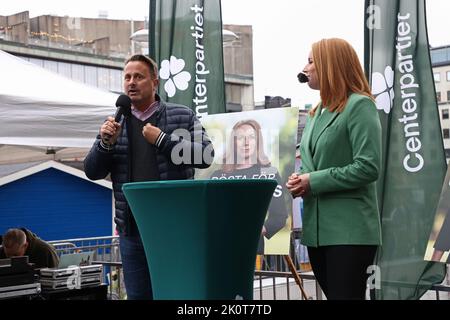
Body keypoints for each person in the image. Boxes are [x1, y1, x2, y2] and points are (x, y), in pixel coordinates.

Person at [84, 54, 213, 300]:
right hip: (132, 231)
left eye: (139, 77)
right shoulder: (115, 123)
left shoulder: (182, 115)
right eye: (127, 77)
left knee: (177, 294)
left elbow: (205, 155)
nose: (131, 82)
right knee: (139, 296)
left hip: (174, 228)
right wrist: (105, 144)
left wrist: (163, 140)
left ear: (155, 82)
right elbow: (92, 171)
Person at [286, 38, 382, 300]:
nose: (305, 67)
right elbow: (313, 165)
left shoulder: (360, 105)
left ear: (330, 64)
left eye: (310, 60)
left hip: (350, 231)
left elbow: (368, 166)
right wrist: (299, 180)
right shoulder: (317, 112)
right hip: (317, 233)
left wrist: (312, 180)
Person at [209, 119, 288, 254]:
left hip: (253, 246)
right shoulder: (218, 175)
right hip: (221, 244)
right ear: (233, 142)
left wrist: (259, 230)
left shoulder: (269, 173)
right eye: (240, 138)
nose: (246, 143)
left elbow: (279, 216)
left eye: (251, 137)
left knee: (253, 276)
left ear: (258, 141)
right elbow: (209, 212)